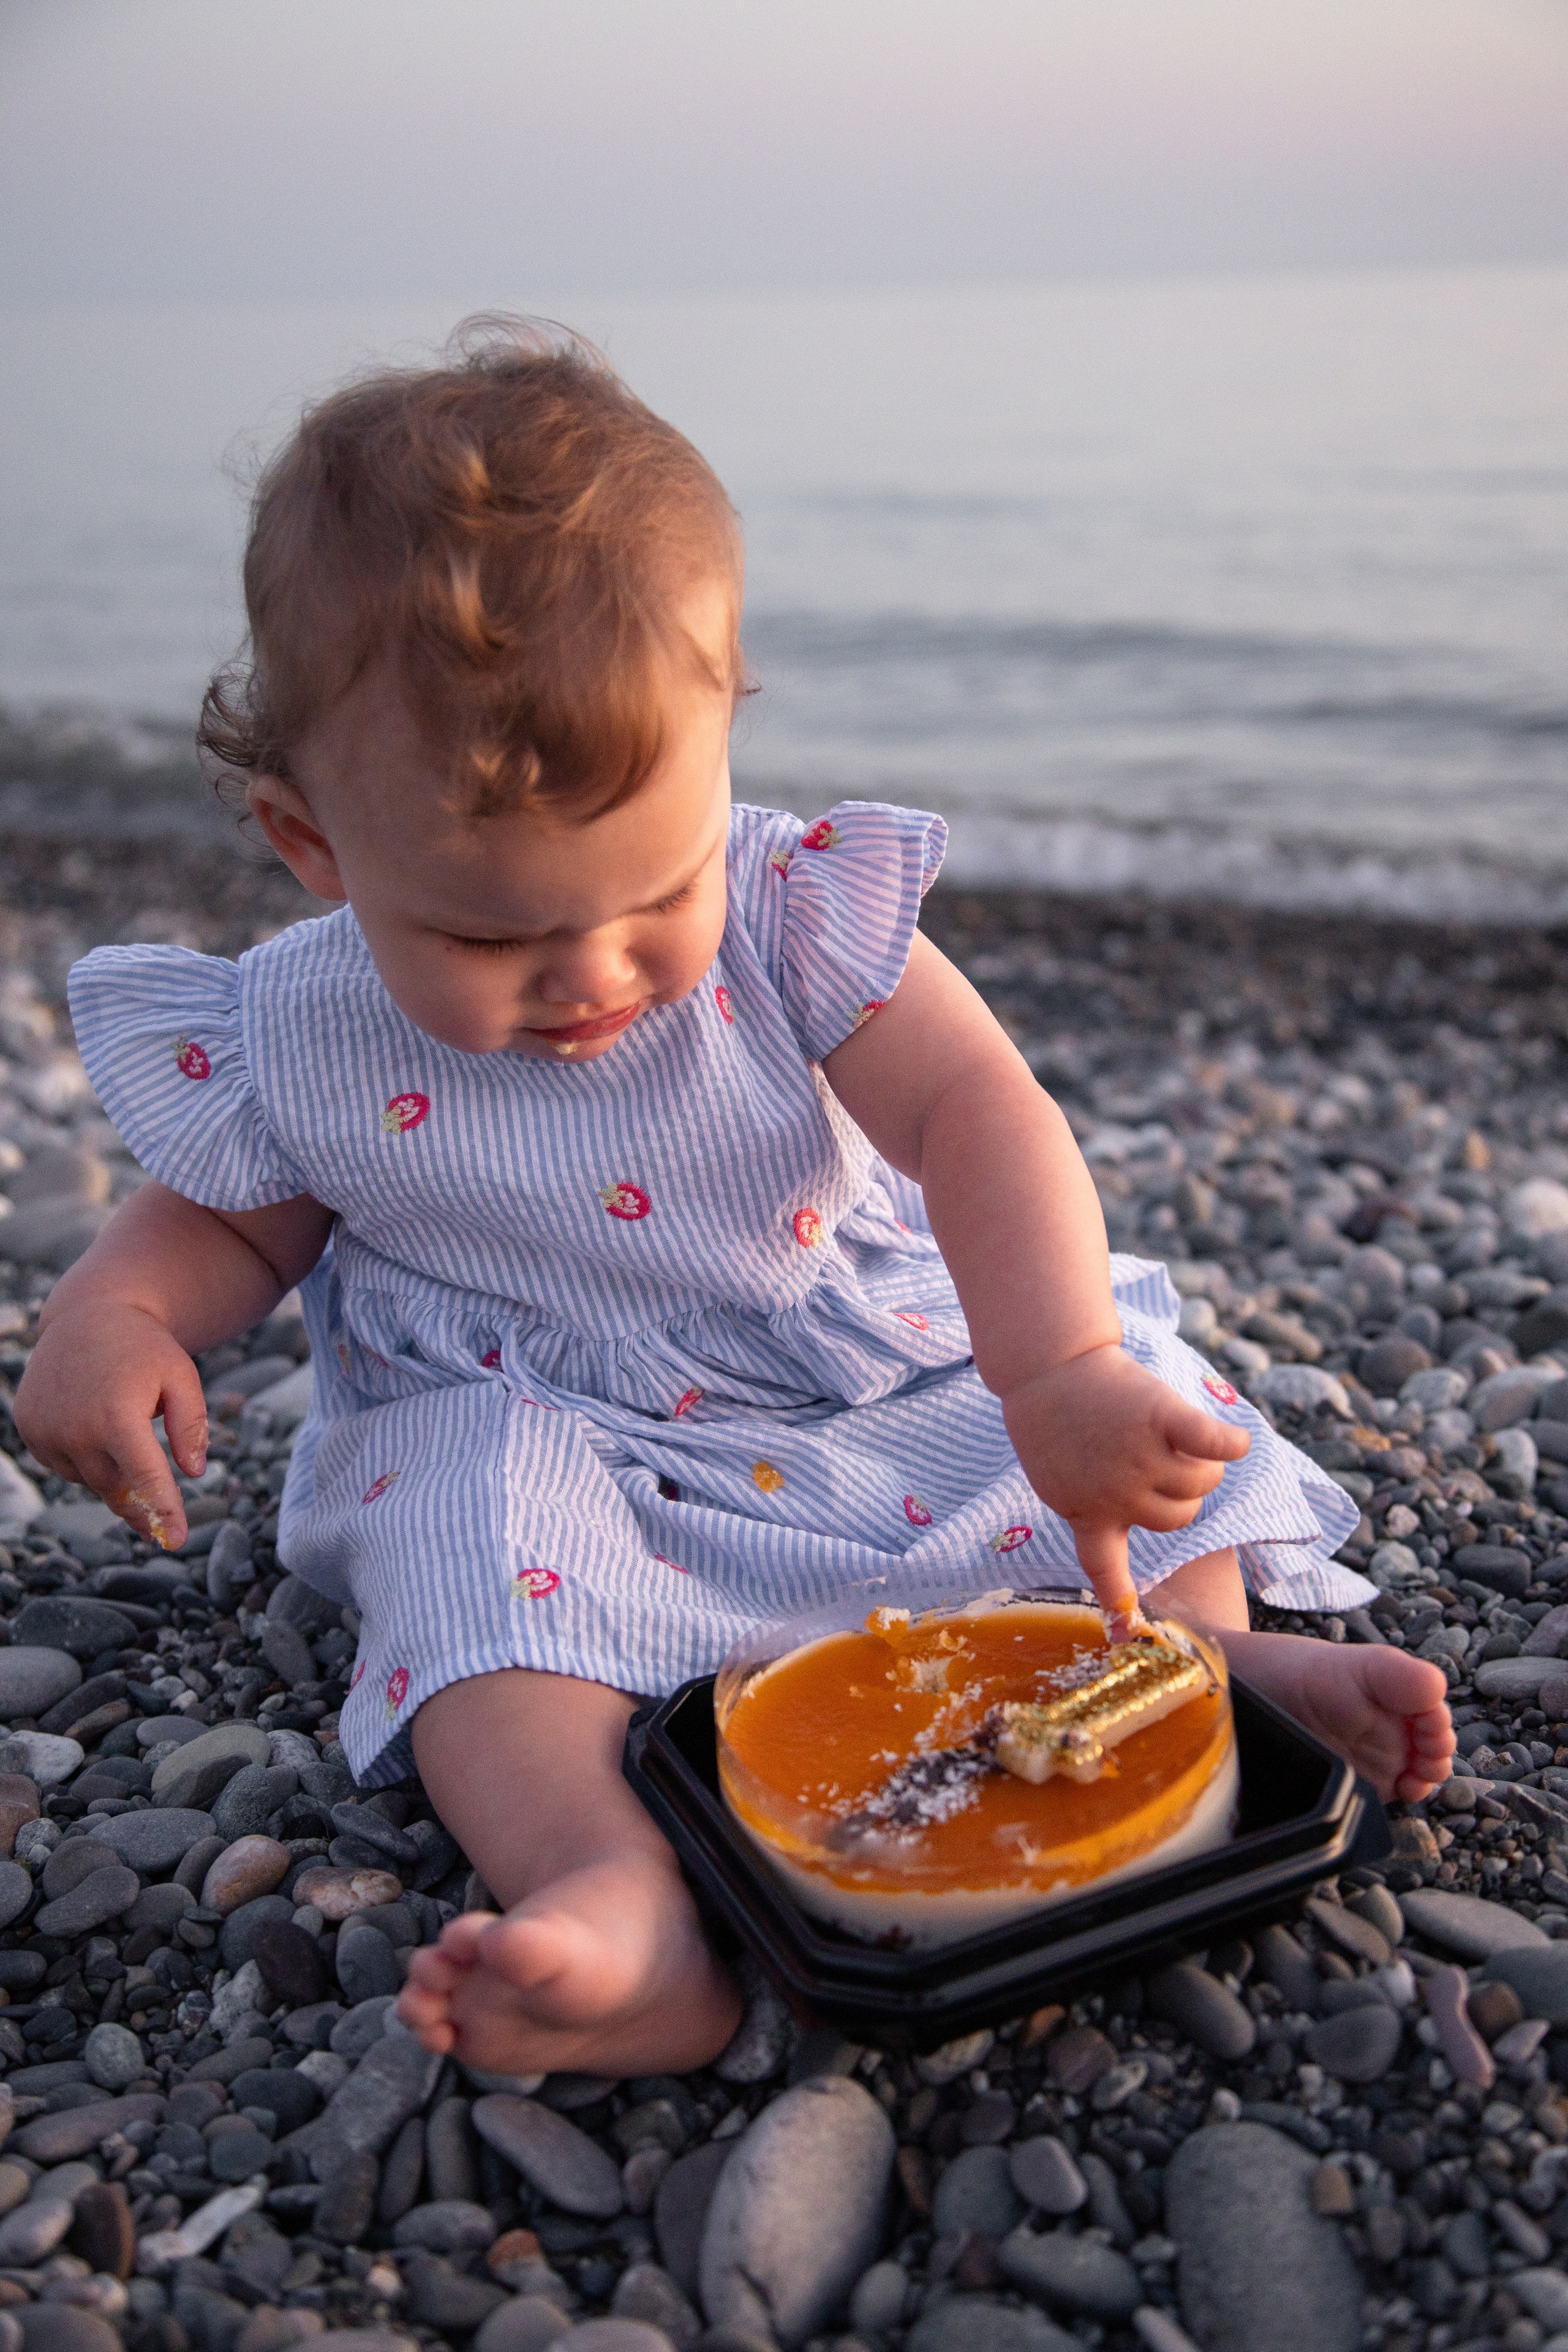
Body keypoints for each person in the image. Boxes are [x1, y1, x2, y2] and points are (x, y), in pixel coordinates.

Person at [13, 323, 1453, 2081]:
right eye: (487, 933)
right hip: (546, 1423)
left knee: (1119, 1427)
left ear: (723, 747)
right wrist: (117, 1315)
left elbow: (976, 1111)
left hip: (849, 1351)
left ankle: (1199, 1675)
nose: (592, 975)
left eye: (658, 888)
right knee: (463, 1557)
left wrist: (1056, 1367)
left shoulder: (786, 911)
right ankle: (614, 1894)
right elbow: (233, 1226)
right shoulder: (298, 1030)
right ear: (311, 841)